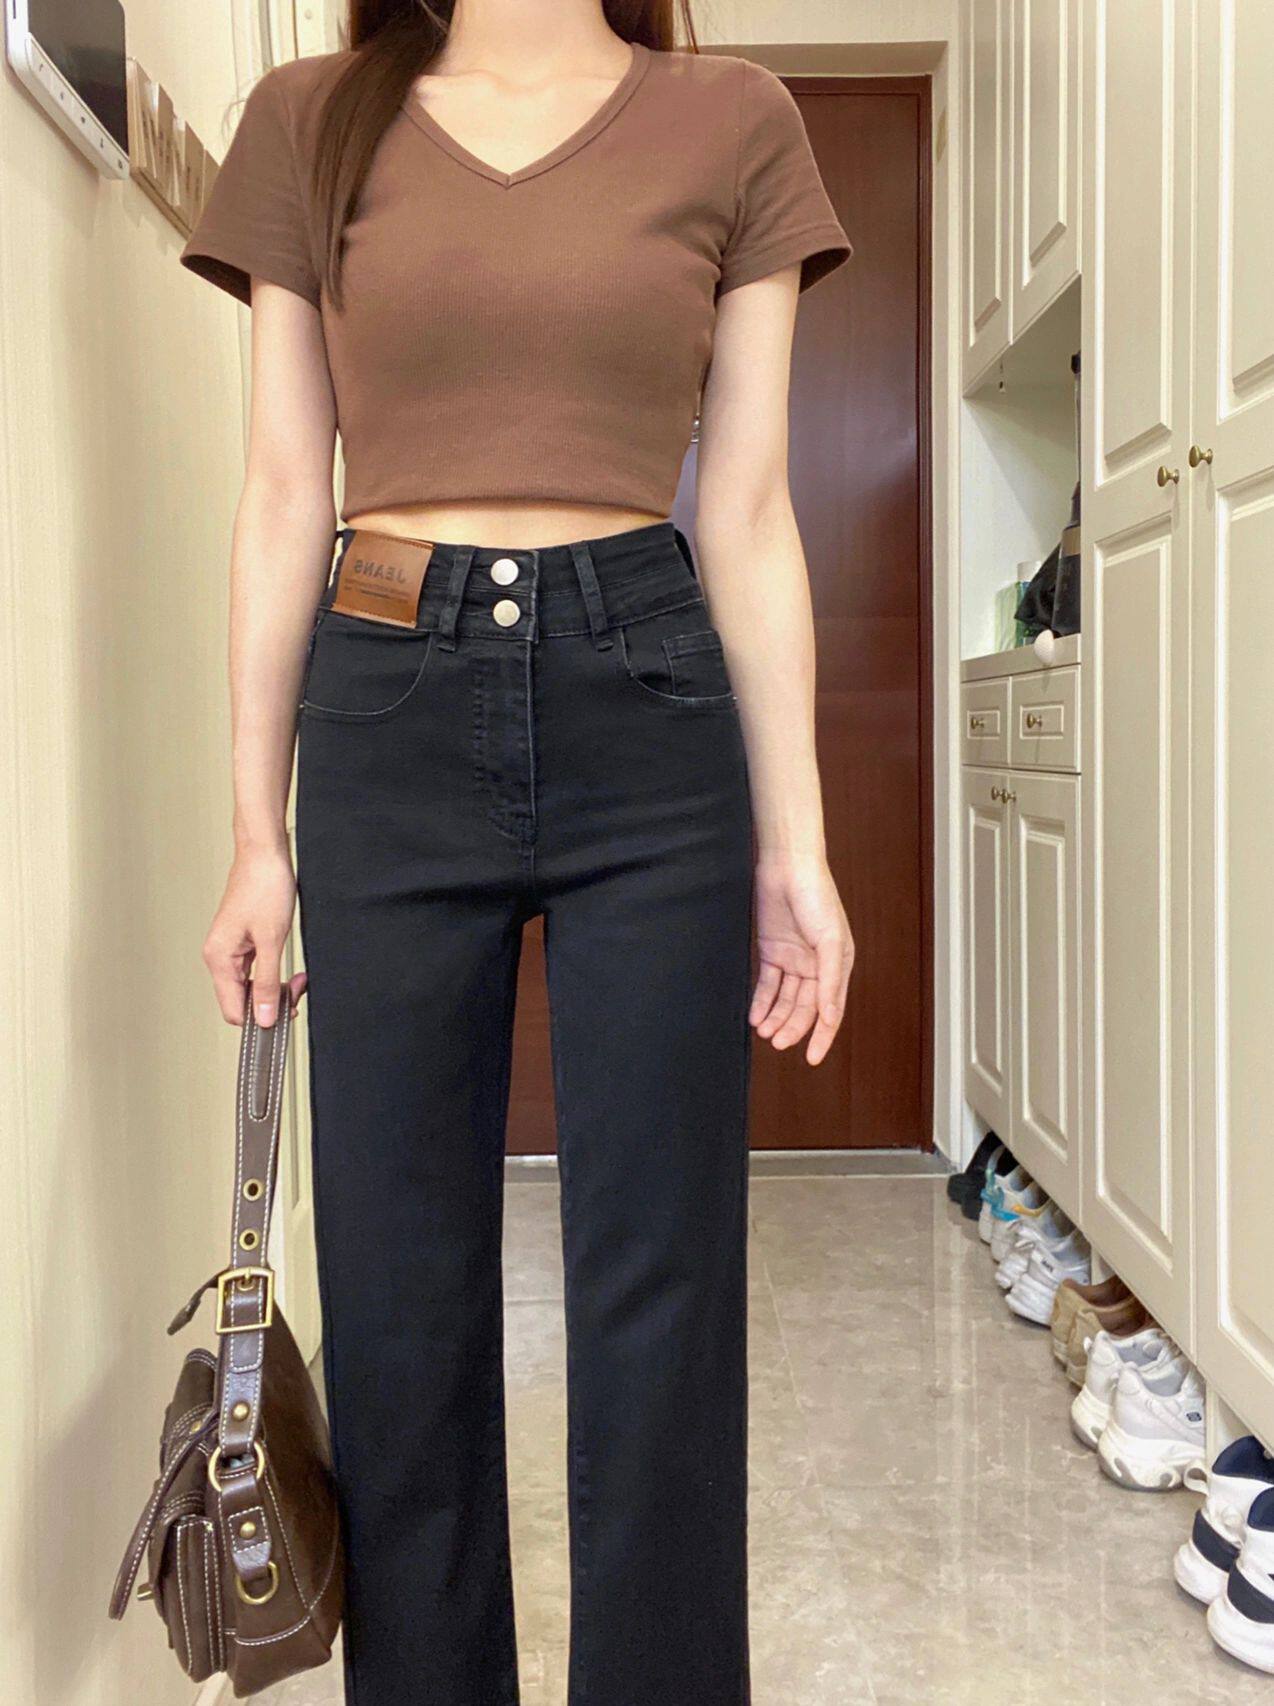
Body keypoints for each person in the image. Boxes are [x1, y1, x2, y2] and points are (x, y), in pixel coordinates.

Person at [181, 1, 854, 1700]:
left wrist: (798, 842)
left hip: (650, 696)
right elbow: (284, 491)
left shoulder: (733, 118)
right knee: (396, 1285)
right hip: (385, 691)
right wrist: (255, 831)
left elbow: (745, 507)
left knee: (662, 1285)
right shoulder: (310, 117)